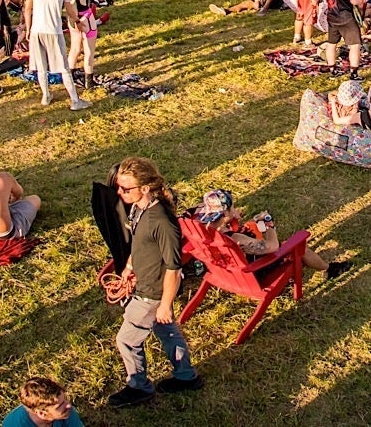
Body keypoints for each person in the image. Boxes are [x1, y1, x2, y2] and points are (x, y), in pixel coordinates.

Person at [107, 156, 201, 408]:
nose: (120, 192)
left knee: (126, 339)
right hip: (145, 284)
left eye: (126, 188)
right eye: (119, 186)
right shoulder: (139, 208)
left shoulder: (162, 222)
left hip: (153, 292)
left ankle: (139, 387)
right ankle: (186, 376)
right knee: (166, 331)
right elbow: (139, 244)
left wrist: (164, 304)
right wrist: (129, 266)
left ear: (145, 188)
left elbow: (173, 268)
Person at [192, 188, 349, 278]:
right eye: (233, 208)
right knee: (300, 248)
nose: (236, 210)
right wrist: (268, 223)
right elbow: (272, 247)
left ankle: (259, 226)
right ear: (225, 213)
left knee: (252, 225)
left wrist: (233, 219)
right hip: (254, 273)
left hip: (225, 269)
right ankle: (328, 270)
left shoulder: (201, 230)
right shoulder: (237, 239)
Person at [24, 0, 88, 110]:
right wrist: (77, 21)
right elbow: (70, 9)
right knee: (64, 67)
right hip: (53, 30)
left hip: (36, 30)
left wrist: (28, 28)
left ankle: (46, 95)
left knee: (41, 67)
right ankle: (75, 100)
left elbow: (27, 8)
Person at [4, 376, 85, 427]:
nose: (68, 405)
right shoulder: (15, 424)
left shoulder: (66, 412)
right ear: (42, 414)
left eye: (65, 399)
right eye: (59, 406)